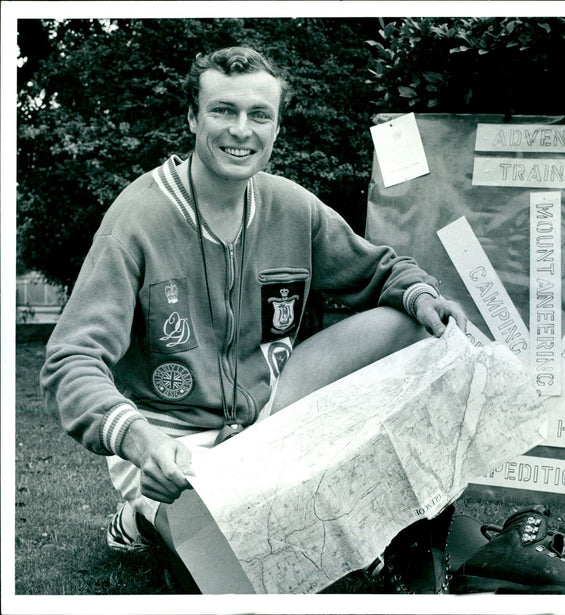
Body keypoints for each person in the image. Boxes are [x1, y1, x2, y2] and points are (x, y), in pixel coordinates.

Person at [40, 46, 466, 592]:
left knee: (418, 327)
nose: (241, 130)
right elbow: (71, 358)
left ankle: (400, 517)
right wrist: (139, 440)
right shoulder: (136, 218)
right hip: (173, 442)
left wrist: (418, 294)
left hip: (267, 418)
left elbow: (382, 271)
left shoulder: (293, 207)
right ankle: (143, 518)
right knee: (238, 569)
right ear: (193, 118)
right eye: (223, 111)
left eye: (259, 115)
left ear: (276, 128)